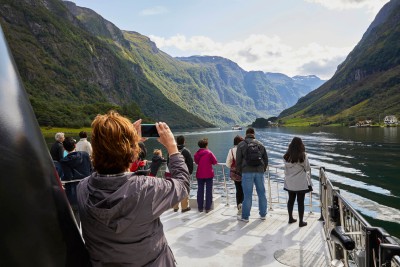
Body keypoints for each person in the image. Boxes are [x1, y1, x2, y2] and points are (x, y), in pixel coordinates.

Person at [77, 111, 190, 266]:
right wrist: (172, 147)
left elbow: (107, 170)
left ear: (95, 150)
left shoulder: (82, 189)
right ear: (133, 152)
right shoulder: (147, 188)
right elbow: (182, 184)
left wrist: (128, 145)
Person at [236, 128, 268, 222]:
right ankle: (263, 215)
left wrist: (241, 171)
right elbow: (265, 159)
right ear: (254, 134)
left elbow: (238, 161)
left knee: (247, 195)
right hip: (259, 172)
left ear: (246, 134)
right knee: (262, 194)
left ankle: (245, 217)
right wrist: (263, 169)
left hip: (246, 172)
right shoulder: (260, 144)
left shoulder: (241, 145)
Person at [60, 137, 92, 225]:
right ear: (75, 145)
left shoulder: (64, 161)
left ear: (64, 148)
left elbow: (68, 177)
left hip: (73, 191)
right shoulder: (85, 155)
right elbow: (90, 169)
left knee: (75, 211)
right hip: (87, 189)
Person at [283, 137, 312, 227]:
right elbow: (307, 168)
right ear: (301, 145)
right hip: (300, 183)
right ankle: (301, 221)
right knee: (300, 202)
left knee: (290, 200)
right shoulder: (303, 156)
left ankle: (290, 218)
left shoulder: (286, 156)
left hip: (289, 182)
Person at [194, 138, 217, 213]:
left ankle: (200, 207)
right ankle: (207, 208)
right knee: (208, 191)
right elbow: (215, 162)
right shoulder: (209, 153)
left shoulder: (196, 154)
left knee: (200, 190)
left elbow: (197, 162)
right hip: (208, 174)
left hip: (199, 174)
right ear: (206, 145)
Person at [173, 135, 194, 213]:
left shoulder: (172, 150)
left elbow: (169, 162)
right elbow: (190, 163)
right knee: (185, 189)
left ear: (176, 141)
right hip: (184, 174)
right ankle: (184, 207)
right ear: (184, 141)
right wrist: (189, 173)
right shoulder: (186, 151)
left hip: (174, 173)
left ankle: (175, 207)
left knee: (175, 189)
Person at [226, 135, 244, 215]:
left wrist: (233, 167)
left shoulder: (231, 150)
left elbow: (227, 163)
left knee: (238, 189)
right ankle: (244, 206)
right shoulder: (244, 148)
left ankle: (239, 206)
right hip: (244, 172)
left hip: (235, 173)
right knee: (244, 190)